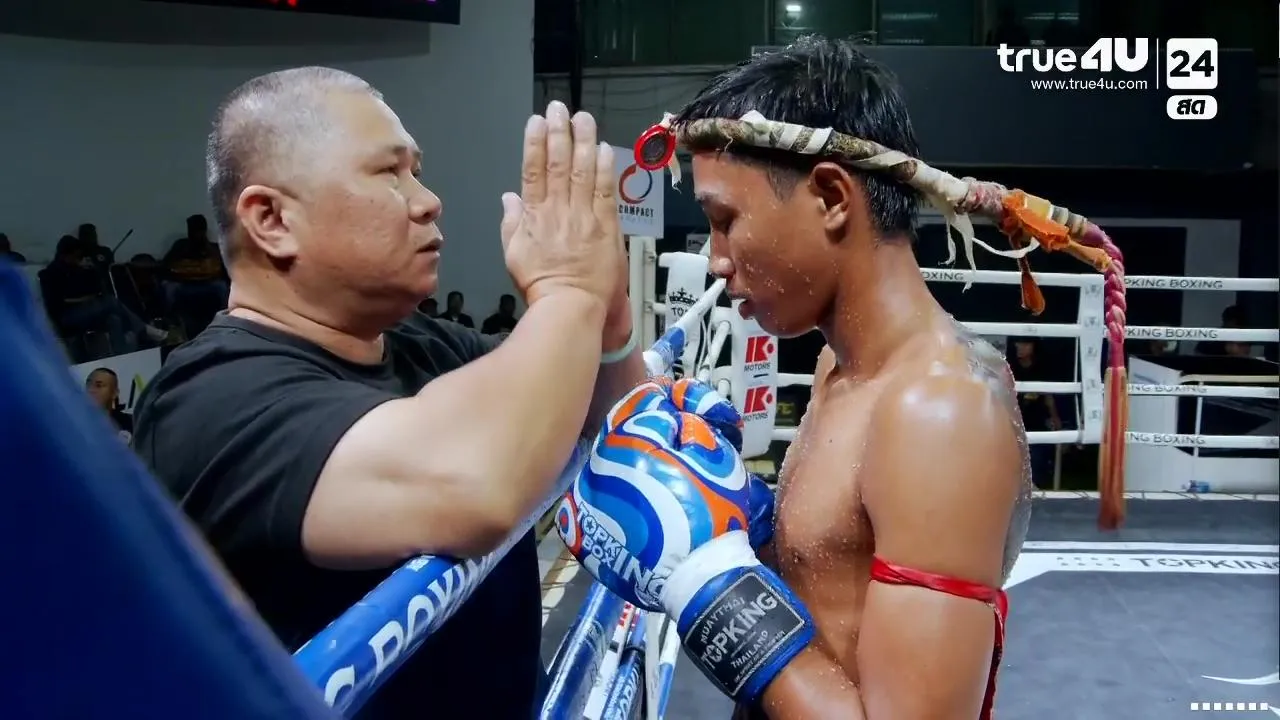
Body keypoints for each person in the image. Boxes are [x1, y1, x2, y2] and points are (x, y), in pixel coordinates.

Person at [130, 66, 639, 720]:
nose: (428, 201)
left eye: (416, 172)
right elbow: (473, 489)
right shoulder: (208, 400)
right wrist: (569, 290)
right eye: (389, 173)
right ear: (271, 219)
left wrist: (609, 314)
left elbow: (616, 415)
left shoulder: (424, 343)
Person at [567, 37, 1038, 720]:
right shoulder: (836, 370)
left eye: (725, 220)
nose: (716, 258)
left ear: (830, 197)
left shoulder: (941, 411)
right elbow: (828, 593)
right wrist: (733, 516)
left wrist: (708, 583)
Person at [39, 234, 167, 354]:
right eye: (75, 256)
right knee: (110, 301)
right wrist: (84, 300)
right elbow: (56, 303)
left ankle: (121, 354)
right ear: (65, 255)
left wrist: (91, 271)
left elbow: (96, 289)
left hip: (86, 310)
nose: (78, 259)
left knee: (114, 319)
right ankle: (144, 330)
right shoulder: (50, 274)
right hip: (67, 316)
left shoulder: (76, 270)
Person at [162, 214, 230, 331]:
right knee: (169, 288)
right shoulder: (180, 246)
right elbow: (166, 266)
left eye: (199, 230)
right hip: (184, 285)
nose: (196, 234)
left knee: (223, 287)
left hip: (209, 285)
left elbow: (223, 270)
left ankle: (227, 321)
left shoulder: (213, 248)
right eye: (193, 230)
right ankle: (172, 324)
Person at [85, 367, 135, 442]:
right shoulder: (74, 424)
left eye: (98, 386)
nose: (90, 390)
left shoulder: (131, 424)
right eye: (88, 385)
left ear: (114, 393)